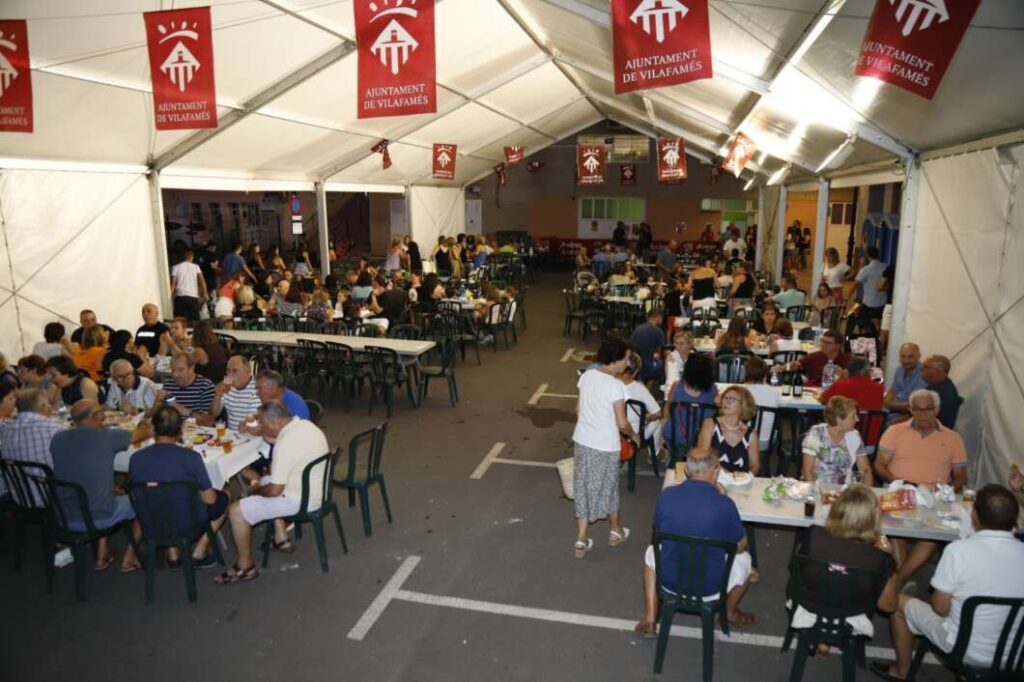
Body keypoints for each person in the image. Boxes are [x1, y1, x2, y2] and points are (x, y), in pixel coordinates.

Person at [872, 485, 1024, 681]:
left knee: (898, 601)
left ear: (974, 516)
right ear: (1015, 520)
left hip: (966, 650)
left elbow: (940, 608)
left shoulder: (959, 551)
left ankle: (902, 671)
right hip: (1016, 656)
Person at [634, 446, 755, 636]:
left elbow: (658, 530)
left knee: (651, 552)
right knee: (745, 560)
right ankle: (730, 612)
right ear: (715, 472)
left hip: (670, 581)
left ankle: (650, 619)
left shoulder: (667, 496)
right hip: (710, 587)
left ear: (686, 470)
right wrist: (723, 497)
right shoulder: (725, 505)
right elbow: (740, 546)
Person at [215, 400, 329, 585]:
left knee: (236, 510)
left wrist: (255, 490)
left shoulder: (285, 444)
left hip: (300, 500)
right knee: (266, 479)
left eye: (262, 423)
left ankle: (245, 567)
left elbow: (275, 491)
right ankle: (281, 538)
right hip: (317, 489)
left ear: (273, 423)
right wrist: (260, 484)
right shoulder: (306, 426)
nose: (260, 427)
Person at [874, 389, 967, 588]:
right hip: (900, 491)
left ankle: (897, 582)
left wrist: (946, 491)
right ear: (910, 409)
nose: (922, 414)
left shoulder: (953, 438)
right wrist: (897, 482)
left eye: (927, 409)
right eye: (917, 409)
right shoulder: (895, 431)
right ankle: (900, 583)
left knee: (932, 535)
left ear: (937, 410)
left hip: (933, 497)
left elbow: (961, 476)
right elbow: (879, 465)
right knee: (897, 530)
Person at [791, 485, 898, 654]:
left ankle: (822, 640)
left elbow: (794, 567)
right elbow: (889, 606)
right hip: (850, 614)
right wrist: (891, 562)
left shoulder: (813, 535)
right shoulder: (878, 558)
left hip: (808, 605)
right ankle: (825, 641)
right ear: (873, 519)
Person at [51, 399, 150, 572]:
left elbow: (78, 469)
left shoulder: (58, 439)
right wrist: (143, 421)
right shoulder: (106, 437)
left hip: (63, 513)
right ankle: (130, 557)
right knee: (145, 499)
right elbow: (144, 433)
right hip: (98, 515)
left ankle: (102, 554)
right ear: (96, 416)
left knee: (105, 495)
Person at [128, 406, 228, 569]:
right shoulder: (191, 458)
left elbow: (135, 495)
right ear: (180, 431)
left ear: (153, 428)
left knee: (162, 495)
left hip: (151, 521)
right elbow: (210, 500)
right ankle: (199, 552)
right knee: (225, 496)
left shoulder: (136, 458)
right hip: (187, 523)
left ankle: (173, 555)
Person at [571, 337, 638, 559]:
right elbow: (622, 423)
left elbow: (578, 410)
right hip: (605, 445)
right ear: (615, 359)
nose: (628, 363)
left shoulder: (587, 376)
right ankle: (616, 531)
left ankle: (581, 539)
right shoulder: (616, 386)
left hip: (583, 440)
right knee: (609, 487)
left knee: (583, 487)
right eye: (626, 358)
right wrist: (634, 435)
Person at [802, 396, 873, 485]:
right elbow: (807, 470)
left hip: (845, 489)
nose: (857, 419)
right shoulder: (817, 433)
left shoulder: (854, 435)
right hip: (818, 486)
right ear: (839, 418)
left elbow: (865, 469)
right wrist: (816, 491)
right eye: (853, 416)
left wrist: (868, 491)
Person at [697, 385, 760, 475]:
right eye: (725, 398)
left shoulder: (751, 434)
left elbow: (755, 465)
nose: (727, 402)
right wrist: (729, 476)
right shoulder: (710, 424)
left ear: (743, 405)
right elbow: (704, 455)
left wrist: (746, 477)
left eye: (733, 399)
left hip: (741, 480)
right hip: (714, 477)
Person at [664, 353, 718, 450]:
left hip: (676, 436)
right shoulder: (713, 390)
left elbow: (667, 411)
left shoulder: (676, 387)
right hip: (703, 438)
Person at [0, 389, 63, 470]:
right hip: (46, 477)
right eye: (48, 405)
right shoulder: (55, 429)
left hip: (13, 477)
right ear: (43, 407)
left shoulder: (6, 430)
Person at [620, 352, 662, 450]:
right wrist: (648, 419)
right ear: (636, 371)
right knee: (657, 422)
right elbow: (657, 413)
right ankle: (655, 453)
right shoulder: (639, 388)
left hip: (613, 428)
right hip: (633, 431)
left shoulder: (611, 383)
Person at [209, 355, 262, 431]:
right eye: (228, 370)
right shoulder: (227, 386)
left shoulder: (257, 388)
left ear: (248, 370)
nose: (230, 375)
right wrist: (217, 396)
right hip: (232, 435)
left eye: (235, 371)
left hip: (251, 435)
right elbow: (213, 414)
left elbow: (255, 422)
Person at [158, 353, 215, 421]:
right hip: (172, 426)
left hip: (195, 427)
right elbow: (158, 417)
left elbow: (208, 421)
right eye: (173, 370)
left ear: (192, 368)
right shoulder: (168, 385)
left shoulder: (205, 386)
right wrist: (157, 401)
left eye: (180, 370)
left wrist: (187, 412)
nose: (175, 375)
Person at [743, 357, 779, 453]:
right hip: (767, 441)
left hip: (744, 439)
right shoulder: (775, 392)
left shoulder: (742, 391)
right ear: (765, 373)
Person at [884, 343, 927, 416]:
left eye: (910, 357)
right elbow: (892, 391)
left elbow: (913, 406)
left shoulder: (924, 374)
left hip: (906, 414)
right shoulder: (899, 370)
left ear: (919, 356)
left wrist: (890, 405)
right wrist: (887, 403)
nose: (906, 361)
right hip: (891, 409)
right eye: (903, 356)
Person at [628, 308, 665, 385]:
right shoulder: (658, 331)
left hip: (634, 363)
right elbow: (662, 351)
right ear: (658, 317)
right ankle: (649, 387)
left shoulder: (637, 329)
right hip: (648, 365)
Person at [922, 354, 960, 429]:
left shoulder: (943, 392)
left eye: (925, 367)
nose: (921, 369)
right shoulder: (936, 386)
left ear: (937, 371)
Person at [171, 250, 208, 322]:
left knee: (178, 319)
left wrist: (171, 296)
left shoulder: (176, 267)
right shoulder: (196, 267)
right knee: (195, 320)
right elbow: (202, 281)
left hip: (180, 296)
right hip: (193, 296)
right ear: (192, 257)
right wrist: (205, 293)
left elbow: (173, 284)